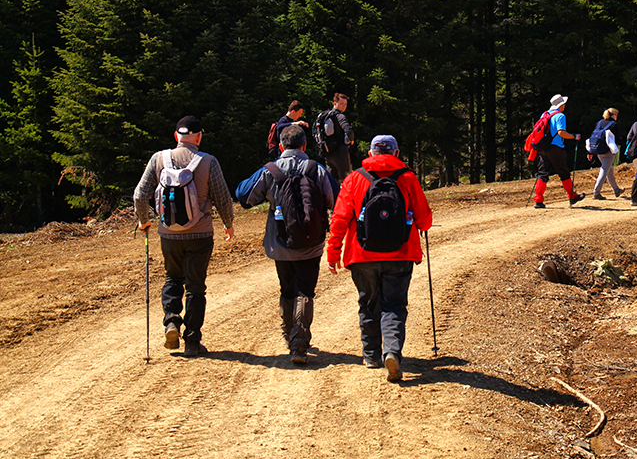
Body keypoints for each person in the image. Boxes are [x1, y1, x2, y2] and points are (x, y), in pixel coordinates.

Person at [326, 135, 433, 382]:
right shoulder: (407, 177)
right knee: (393, 304)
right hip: (400, 254)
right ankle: (392, 352)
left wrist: (333, 252)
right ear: (396, 153)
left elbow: (339, 218)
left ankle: (371, 355)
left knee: (368, 303)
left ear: (371, 154)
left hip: (361, 254)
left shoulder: (354, 178)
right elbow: (424, 220)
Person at [235, 125, 338, 364]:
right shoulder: (316, 169)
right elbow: (336, 199)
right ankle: (299, 345)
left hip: (280, 242)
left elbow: (244, 197)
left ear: (281, 146)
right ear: (304, 145)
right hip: (311, 243)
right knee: (306, 291)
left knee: (287, 289)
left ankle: (288, 335)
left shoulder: (270, 170)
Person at [133, 116, 235, 358]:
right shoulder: (208, 161)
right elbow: (222, 198)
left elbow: (139, 195)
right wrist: (228, 224)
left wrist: (143, 220)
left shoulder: (158, 158)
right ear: (199, 137)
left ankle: (171, 321)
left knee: (172, 277)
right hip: (200, 234)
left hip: (169, 235)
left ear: (176, 136)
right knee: (195, 287)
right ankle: (192, 341)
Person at [530, 94, 586, 208]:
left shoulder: (544, 114)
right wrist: (574, 136)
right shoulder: (560, 116)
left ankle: (538, 200)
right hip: (555, 147)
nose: (565, 105)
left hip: (543, 147)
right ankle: (572, 196)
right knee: (564, 172)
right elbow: (561, 132)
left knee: (542, 173)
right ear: (561, 105)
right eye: (564, 103)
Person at [317, 93, 356, 180]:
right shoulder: (340, 116)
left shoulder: (325, 116)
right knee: (346, 179)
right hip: (340, 153)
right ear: (335, 103)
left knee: (332, 181)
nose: (344, 106)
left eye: (345, 104)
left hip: (328, 152)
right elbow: (348, 130)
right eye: (342, 104)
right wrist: (351, 140)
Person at [586, 108, 623, 200]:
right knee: (604, 171)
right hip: (609, 151)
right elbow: (617, 139)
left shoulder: (599, 123)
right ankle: (596, 192)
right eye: (616, 115)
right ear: (613, 115)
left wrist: (590, 152)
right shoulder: (614, 124)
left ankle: (616, 190)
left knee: (608, 170)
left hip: (599, 150)